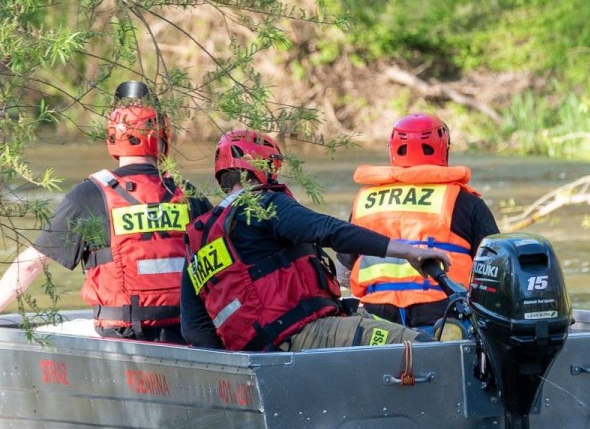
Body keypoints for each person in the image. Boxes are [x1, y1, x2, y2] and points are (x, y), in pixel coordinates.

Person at [0, 82, 211, 344]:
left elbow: (32, 263)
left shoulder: (90, 195)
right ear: (163, 138)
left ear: (112, 138)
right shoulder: (189, 195)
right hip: (185, 331)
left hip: (119, 333)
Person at [181, 129, 451, 352]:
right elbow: (328, 230)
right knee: (427, 350)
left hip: (258, 354)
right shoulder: (262, 205)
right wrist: (407, 251)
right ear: (262, 168)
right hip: (304, 334)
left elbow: (194, 328)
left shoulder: (199, 239)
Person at [337, 112, 499, 332]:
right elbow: (496, 271)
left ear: (392, 149)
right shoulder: (465, 202)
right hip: (444, 318)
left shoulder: (365, 201)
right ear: (444, 148)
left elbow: (342, 274)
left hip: (378, 322)